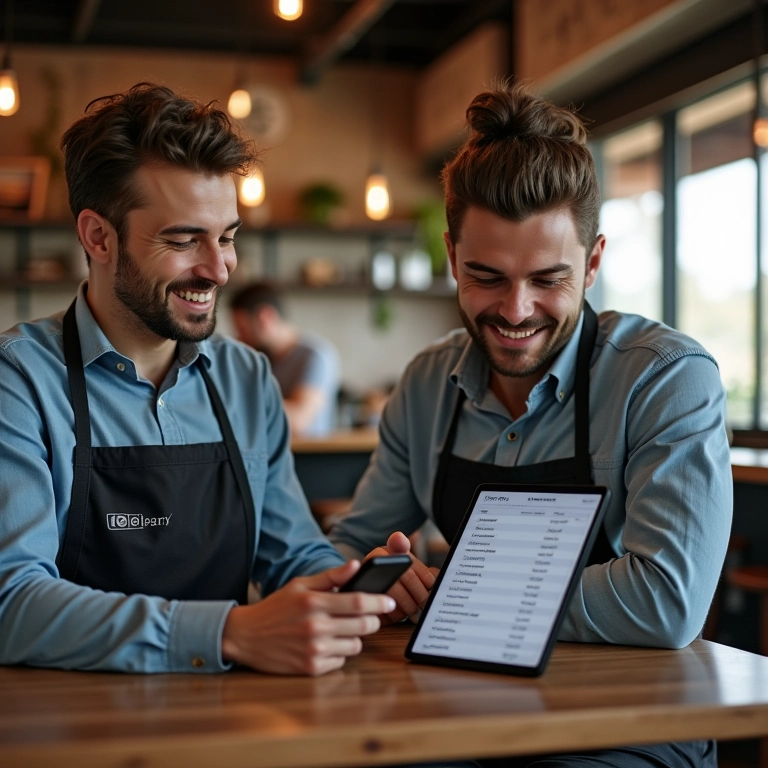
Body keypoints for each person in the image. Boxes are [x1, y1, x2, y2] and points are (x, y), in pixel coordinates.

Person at [329, 82, 731, 767]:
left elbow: (665, 601)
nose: (516, 311)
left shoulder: (664, 378)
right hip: (460, 707)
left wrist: (452, 594)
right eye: (486, 276)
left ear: (593, 262)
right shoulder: (426, 384)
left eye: (548, 279)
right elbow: (349, 549)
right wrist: (373, 577)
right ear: (452, 257)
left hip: (627, 723)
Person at [0, 82, 394, 675]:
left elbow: (291, 556)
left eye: (228, 237)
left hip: (236, 709)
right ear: (98, 236)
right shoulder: (20, 380)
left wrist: (356, 590)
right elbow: (12, 603)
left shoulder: (246, 378)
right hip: (75, 716)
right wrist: (228, 633)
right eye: (184, 241)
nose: (219, 269)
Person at [229, 281, 340, 436]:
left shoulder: (316, 355)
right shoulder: (259, 357)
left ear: (265, 318)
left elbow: (298, 420)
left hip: (307, 450)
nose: (239, 339)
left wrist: (232, 401)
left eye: (242, 329)